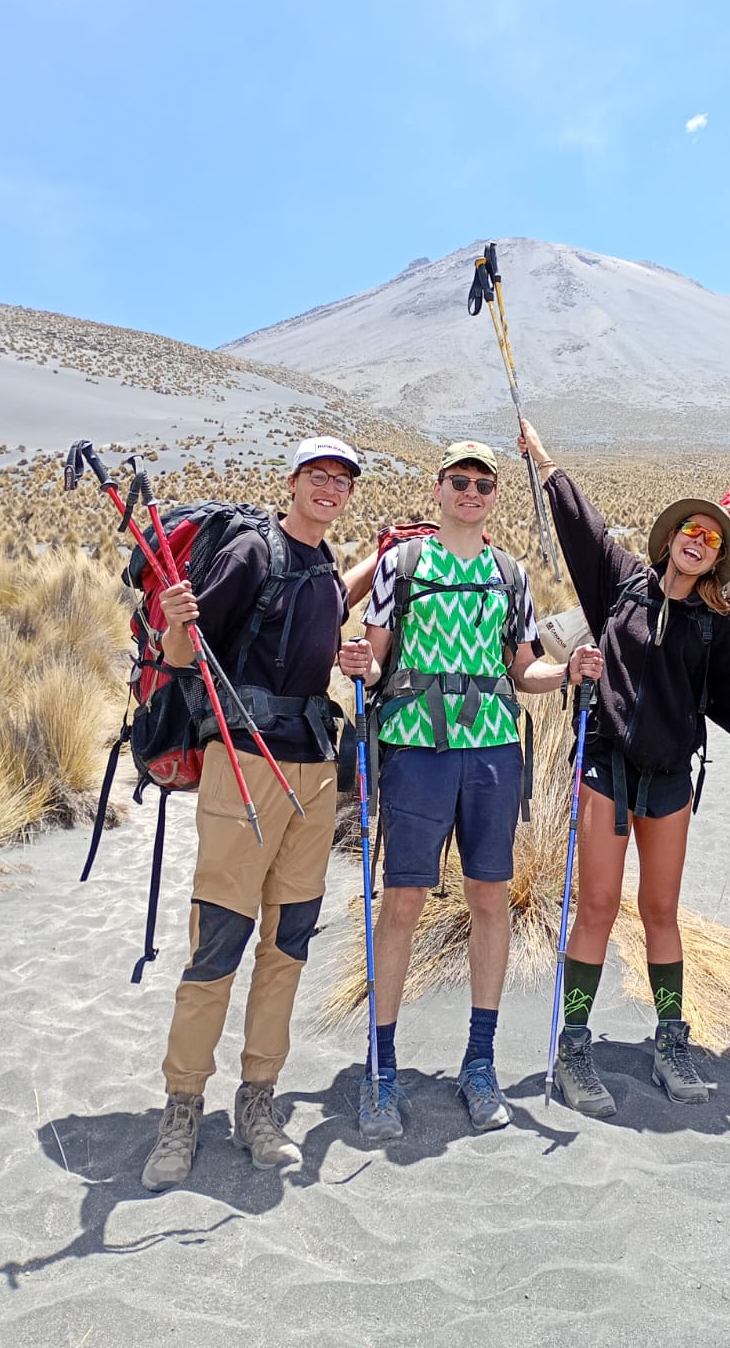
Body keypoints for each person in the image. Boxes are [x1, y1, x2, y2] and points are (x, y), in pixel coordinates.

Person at [518, 421, 730, 1119]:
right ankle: (574, 1047)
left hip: (670, 781)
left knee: (661, 911)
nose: (698, 540)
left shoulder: (716, 630)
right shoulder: (621, 587)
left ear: (717, 558)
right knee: (597, 908)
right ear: (670, 538)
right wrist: (545, 461)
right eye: (689, 530)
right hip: (607, 770)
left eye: (711, 538)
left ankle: (672, 1042)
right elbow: (582, 526)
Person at [142, 437, 371, 1192]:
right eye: (318, 476)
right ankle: (182, 1107)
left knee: (289, 942)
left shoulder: (326, 569)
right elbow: (185, 655)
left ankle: (259, 1101)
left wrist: (349, 660)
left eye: (341, 480)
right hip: (242, 768)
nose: (330, 488)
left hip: (312, 772)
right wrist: (176, 620)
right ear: (293, 481)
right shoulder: (252, 551)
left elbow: (309, 646)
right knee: (221, 939)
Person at [357, 440, 599, 1141]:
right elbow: (373, 661)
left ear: (495, 496)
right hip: (416, 749)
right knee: (402, 902)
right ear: (438, 489)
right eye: (459, 481)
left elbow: (523, 670)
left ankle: (480, 1063)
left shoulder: (509, 575)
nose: (470, 492)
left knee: (490, 898)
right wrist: (357, 664)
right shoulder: (401, 566)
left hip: (492, 752)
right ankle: (381, 1069)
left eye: (483, 484)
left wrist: (569, 674)